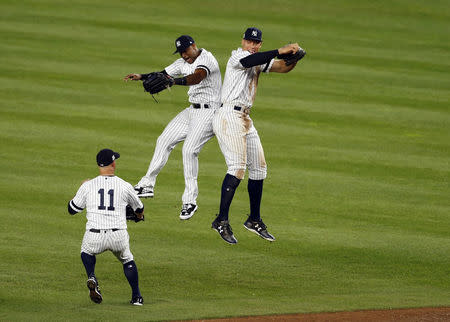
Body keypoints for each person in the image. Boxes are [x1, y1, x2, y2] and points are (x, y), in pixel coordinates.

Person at [211, 27, 303, 244]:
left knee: (260, 169)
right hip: (228, 116)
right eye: (249, 42)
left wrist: (295, 57)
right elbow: (256, 60)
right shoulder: (238, 56)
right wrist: (281, 49)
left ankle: (253, 219)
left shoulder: (259, 58)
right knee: (236, 169)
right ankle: (221, 220)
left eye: (256, 43)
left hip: (245, 118)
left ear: (260, 44)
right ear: (243, 41)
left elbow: (282, 67)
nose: (252, 45)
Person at [124, 35, 222, 220]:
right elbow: (162, 75)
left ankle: (189, 202)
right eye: (181, 52)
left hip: (210, 112)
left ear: (194, 46)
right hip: (192, 110)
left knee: (189, 151)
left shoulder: (207, 59)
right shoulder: (181, 62)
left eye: (186, 50)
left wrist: (174, 82)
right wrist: (141, 77)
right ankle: (147, 184)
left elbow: (197, 77)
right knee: (164, 140)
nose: (184, 55)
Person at [68, 149, 145, 305]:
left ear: (99, 165)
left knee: (86, 251)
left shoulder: (88, 186)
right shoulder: (124, 185)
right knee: (127, 259)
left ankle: (92, 276)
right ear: (113, 163)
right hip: (118, 236)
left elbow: (72, 209)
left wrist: (81, 188)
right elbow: (139, 209)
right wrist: (138, 216)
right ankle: (136, 297)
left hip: (94, 236)